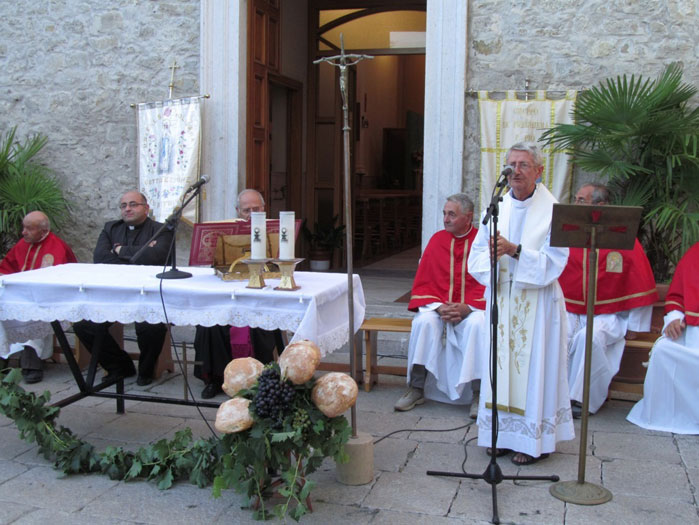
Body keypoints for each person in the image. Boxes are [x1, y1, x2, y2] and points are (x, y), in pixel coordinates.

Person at [467, 142, 574, 466]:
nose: (516, 170)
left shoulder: (553, 211)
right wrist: (492, 256)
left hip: (536, 304)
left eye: (524, 164)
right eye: (512, 163)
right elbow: (475, 258)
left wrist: (515, 251)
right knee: (499, 367)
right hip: (502, 298)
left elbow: (556, 262)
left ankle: (531, 442)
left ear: (539, 171)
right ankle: (499, 435)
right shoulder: (497, 206)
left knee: (533, 370)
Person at [560, 183, 657, 418]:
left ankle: (580, 399)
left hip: (609, 314)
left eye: (582, 200)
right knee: (558, 333)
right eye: (576, 199)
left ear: (600, 206)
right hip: (570, 309)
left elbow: (639, 282)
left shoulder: (623, 240)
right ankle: (555, 395)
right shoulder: (568, 233)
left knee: (588, 337)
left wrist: (635, 326)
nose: (576, 204)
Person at [394, 193, 486, 411]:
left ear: (468, 217)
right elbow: (424, 284)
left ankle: (478, 394)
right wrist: (438, 306)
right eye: (445, 213)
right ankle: (416, 388)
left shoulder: (481, 242)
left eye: (452, 214)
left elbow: (489, 283)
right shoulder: (437, 240)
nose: (446, 219)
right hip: (440, 307)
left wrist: (467, 307)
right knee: (423, 322)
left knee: (477, 325)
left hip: (472, 309)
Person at [73, 191, 172, 386]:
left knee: (150, 325)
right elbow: (100, 258)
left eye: (133, 204)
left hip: (148, 294)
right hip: (113, 293)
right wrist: (142, 252)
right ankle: (120, 366)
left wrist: (120, 251)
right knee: (83, 325)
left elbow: (158, 257)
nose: (128, 208)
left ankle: (146, 370)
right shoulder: (111, 228)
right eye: (124, 205)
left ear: (146, 207)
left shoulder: (162, 230)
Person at [194, 189, 284, 398]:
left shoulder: (275, 232)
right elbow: (214, 261)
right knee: (210, 324)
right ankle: (216, 379)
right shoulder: (225, 231)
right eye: (246, 210)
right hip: (231, 287)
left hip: (262, 292)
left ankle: (257, 377)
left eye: (256, 209)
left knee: (256, 324)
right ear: (237, 211)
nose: (251, 214)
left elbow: (280, 264)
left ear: (264, 209)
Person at [627, 242, 699, 433]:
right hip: (693, 332)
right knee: (663, 350)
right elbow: (677, 296)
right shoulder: (695, 253)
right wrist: (675, 318)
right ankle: (668, 415)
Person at [0, 211, 77, 383]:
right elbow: (6, 268)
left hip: (46, 300)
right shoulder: (22, 244)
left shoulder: (56, 247)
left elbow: (59, 280)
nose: (23, 232)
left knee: (35, 318)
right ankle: (3, 363)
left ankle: (32, 365)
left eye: (29, 229)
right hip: (19, 297)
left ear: (43, 231)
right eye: (23, 228)